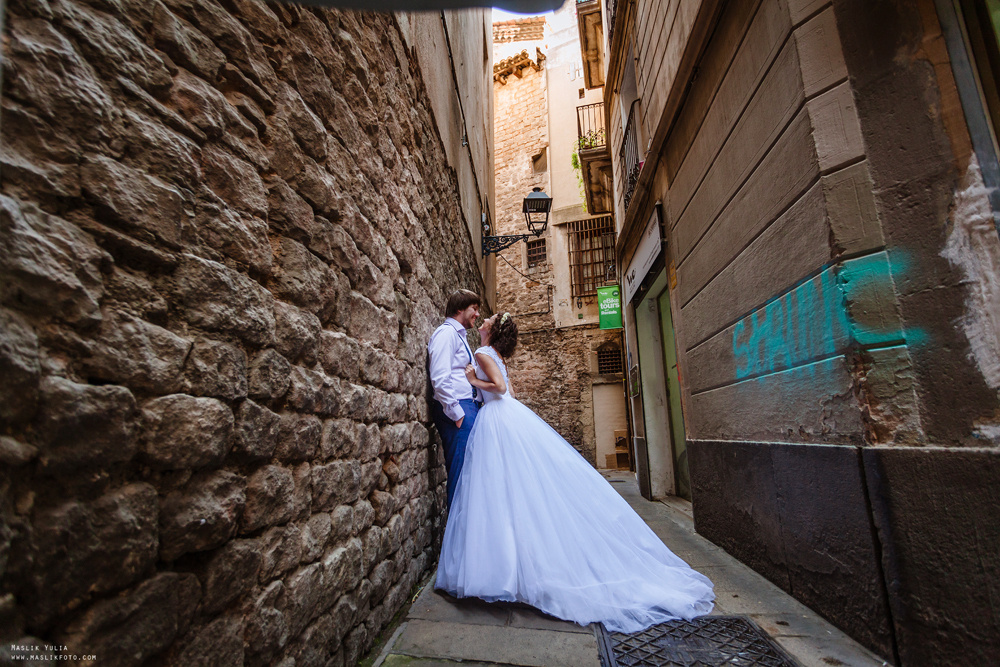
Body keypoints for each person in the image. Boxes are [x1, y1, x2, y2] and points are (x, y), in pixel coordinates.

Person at [435, 312, 715, 634]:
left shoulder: (484, 352)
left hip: (496, 419)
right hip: (508, 416)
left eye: (490, 319)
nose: (483, 319)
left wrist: (473, 381)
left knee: (498, 490)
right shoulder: (495, 354)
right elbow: (510, 391)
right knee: (517, 488)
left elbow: (498, 388)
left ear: (493, 329)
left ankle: (504, 570)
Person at [427, 289, 482, 508]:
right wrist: (457, 414)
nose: (477, 314)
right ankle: (457, 528)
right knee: (461, 476)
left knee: (469, 475)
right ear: (460, 308)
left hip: (467, 407)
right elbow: (440, 377)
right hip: (458, 410)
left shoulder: (459, 336)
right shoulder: (446, 333)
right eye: (474, 309)